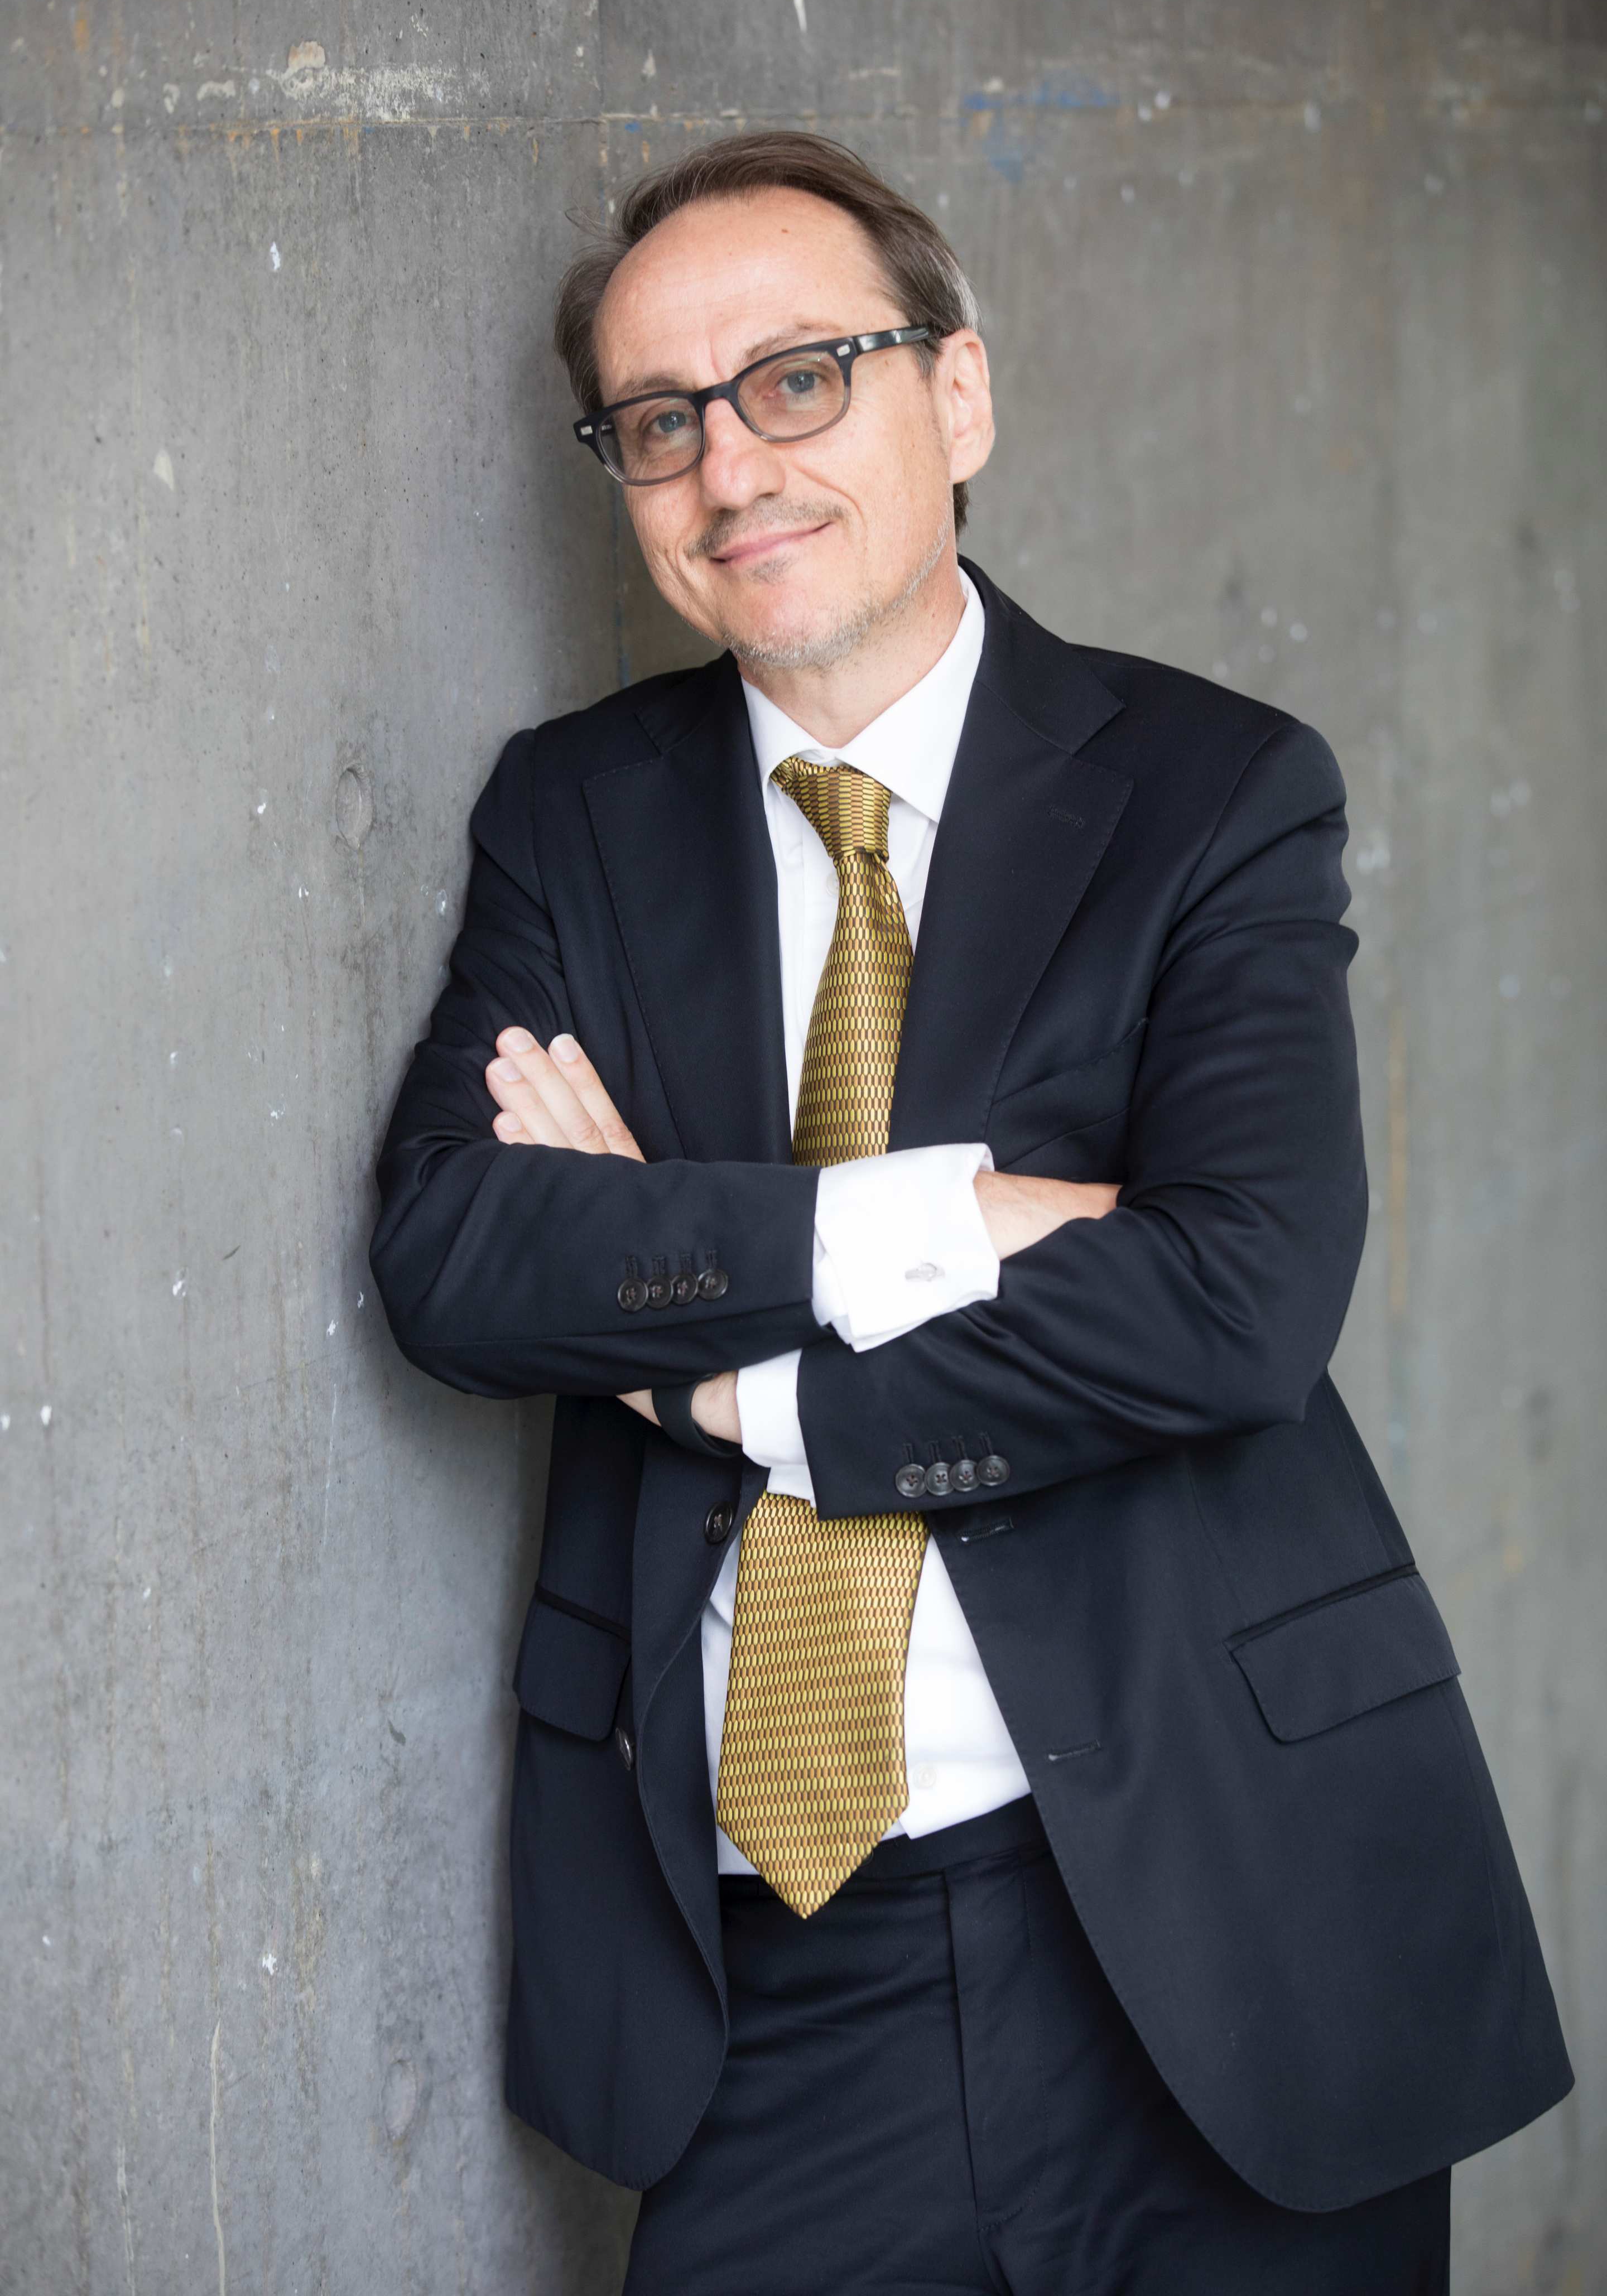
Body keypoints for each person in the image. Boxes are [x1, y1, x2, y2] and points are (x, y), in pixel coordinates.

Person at [369, 132, 1571, 2294]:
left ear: (960, 393)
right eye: (661, 421)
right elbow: (457, 1254)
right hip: (772, 1971)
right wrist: (923, 1222)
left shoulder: (1214, 790)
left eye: (799, 378)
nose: (733, 466)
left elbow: (1232, 1301)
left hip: (1231, 1899)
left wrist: (729, 1389)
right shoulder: (573, 814)